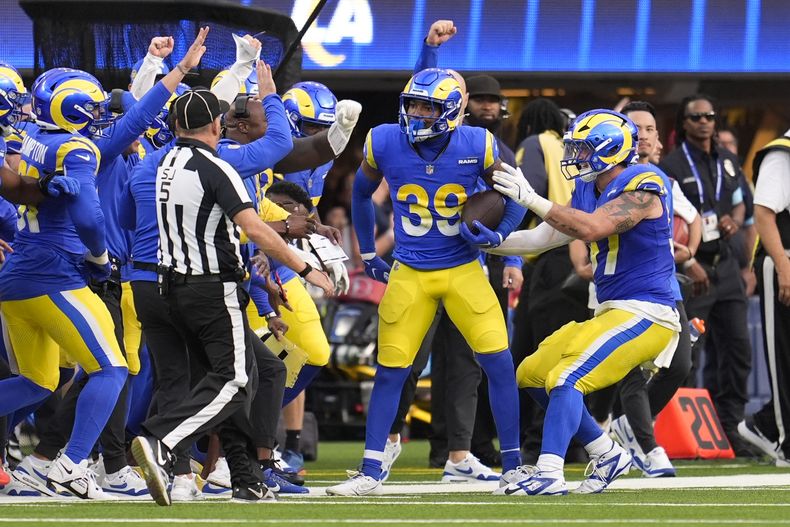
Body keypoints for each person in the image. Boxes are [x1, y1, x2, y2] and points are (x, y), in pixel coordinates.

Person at [326, 67, 525, 497]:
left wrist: (501, 235)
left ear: (453, 111)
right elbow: (360, 193)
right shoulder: (384, 140)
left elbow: (517, 193)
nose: (416, 114)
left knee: (499, 364)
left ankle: (513, 466)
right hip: (410, 271)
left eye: (428, 107)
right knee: (390, 372)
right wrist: (365, 251)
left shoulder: (479, 143)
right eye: (413, 104)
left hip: (463, 270)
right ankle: (371, 469)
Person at [130, 87, 333, 506]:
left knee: (245, 376)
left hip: (171, 287)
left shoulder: (162, 162)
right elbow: (254, 228)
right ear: (217, 125)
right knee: (237, 381)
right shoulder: (218, 166)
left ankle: (245, 477)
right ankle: (160, 437)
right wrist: (307, 268)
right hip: (211, 288)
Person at [489, 109, 681, 495]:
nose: (574, 156)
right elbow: (545, 238)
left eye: (582, 148)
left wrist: (531, 199)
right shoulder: (588, 187)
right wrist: (488, 244)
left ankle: (550, 471)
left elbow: (593, 227)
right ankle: (605, 451)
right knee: (530, 373)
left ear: (609, 149)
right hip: (611, 311)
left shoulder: (645, 182)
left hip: (649, 312)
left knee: (566, 377)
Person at [0, 67, 129, 500]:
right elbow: (90, 218)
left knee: (38, 381)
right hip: (51, 273)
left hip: (17, 276)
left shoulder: (32, 135)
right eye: (90, 107)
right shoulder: (74, 146)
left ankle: (51, 467)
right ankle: (71, 466)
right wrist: (100, 258)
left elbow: (17, 187)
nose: (97, 114)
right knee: (110, 368)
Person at [658, 94, 753, 455]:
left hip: (726, 266)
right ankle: (682, 430)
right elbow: (665, 219)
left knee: (738, 349)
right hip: (693, 265)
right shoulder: (671, 164)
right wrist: (685, 259)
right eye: (696, 117)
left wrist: (733, 221)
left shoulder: (728, 160)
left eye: (710, 116)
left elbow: (742, 202)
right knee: (688, 353)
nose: (704, 122)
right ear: (684, 123)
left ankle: (731, 426)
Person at [608, 101, 699, 477]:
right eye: (635, 128)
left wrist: (689, 252)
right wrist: (581, 260)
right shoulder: (605, 175)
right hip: (620, 283)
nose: (642, 135)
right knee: (630, 366)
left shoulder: (663, 180)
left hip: (663, 284)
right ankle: (649, 447)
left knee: (680, 365)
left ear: (657, 137)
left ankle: (627, 425)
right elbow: (578, 219)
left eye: (649, 129)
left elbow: (694, 219)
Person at [738, 129, 790, 467]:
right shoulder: (782, 153)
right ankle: (785, 442)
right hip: (782, 259)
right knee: (784, 356)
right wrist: (783, 267)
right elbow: (764, 213)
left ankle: (763, 424)